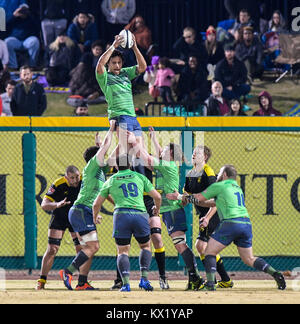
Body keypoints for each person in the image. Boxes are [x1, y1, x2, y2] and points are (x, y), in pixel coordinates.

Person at [183, 164, 286, 291]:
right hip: (246, 224)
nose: (218, 175)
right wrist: (193, 200)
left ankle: (210, 285)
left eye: (220, 172)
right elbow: (213, 202)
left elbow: (198, 197)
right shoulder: (237, 188)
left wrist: (180, 197)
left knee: (209, 251)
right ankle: (275, 273)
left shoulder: (219, 185)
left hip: (231, 223)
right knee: (249, 259)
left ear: (225, 174)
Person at [131, 127, 204, 290]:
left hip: (173, 209)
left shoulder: (167, 164)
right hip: (168, 210)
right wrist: (153, 139)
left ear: (170, 154)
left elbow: (147, 158)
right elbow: (158, 154)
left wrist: (135, 142)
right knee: (180, 244)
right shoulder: (168, 163)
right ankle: (195, 277)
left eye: (164, 150)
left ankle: (195, 277)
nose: (160, 151)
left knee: (180, 244)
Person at [93, 153, 162, 292]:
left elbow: (96, 204)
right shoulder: (140, 177)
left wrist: (95, 217)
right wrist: (156, 209)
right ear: (130, 164)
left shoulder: (111, 180)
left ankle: (125, 284)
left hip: (121, 215)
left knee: (122, 251)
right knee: (145, 246)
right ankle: (144, 279)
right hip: (140, 214)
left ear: (117, 166)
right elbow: (158, 196)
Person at [59, 121, 116, 290]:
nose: (104, 157)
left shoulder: (99, 173)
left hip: (83, 212)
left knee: (88, 249)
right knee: (94, 247)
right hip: (81, 211)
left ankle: (82, 282)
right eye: (101, 154)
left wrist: (125, 141)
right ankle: (67, 272)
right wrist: (112, 129)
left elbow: (112, 155)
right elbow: (106, 148)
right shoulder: (92, 166)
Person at [167, 145, 233, 288]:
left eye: (198, 152)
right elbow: (186, 197)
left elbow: (216, 202)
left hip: (213, 213)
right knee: (202, 246)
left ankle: (213, 280)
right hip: (203, 214)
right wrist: (178, 200)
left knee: (202, 246)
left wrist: (208, 218)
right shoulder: (191, 173)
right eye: (194, 151)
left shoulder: (208, 173)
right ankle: (224, 280)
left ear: (205, 157)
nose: (194, 154)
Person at [95, 32, 147, 151]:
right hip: (120, 116)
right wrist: (113, 46)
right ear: (108, 64)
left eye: (119, 62)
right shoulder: (105, 77)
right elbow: (100, 65)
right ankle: (109, 164)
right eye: (114, 63)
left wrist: (135, 47)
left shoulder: (126, 73)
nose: (117, 65)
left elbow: (143, 67)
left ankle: (109, 162)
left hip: (132, 116)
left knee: (140, 151)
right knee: (126, 152)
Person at [36, 165, 84, 290]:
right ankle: (42, 281)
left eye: (77, 177)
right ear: (66, 177)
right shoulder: (58, 184)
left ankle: (81, 282)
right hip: (60, 217)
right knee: (52, 249)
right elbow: (44, 204)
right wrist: (57, 204)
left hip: (76, 217)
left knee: (82, 250)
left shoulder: (84, 181)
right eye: (72, 178)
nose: (75, 180)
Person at [5, 3, 40, 69]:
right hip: (16, 40)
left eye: (25, 11)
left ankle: (32, 65)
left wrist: (30, 15)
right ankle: (13, 66)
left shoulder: (31, 18)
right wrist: (13, 16)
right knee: (7, 42)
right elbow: (6, 27)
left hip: (27, 40)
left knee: (35, 41)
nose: (23, 12)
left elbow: (37, 27)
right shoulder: (14, 18)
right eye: (21, 11)